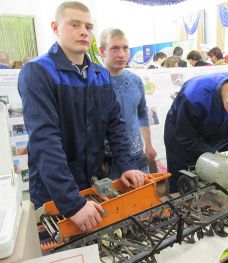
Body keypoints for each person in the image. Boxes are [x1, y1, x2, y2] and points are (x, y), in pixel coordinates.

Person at [18, 1, 144, 232]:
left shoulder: (100, 75)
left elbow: (115, 125)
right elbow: (45, 141)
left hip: (92, 183)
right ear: (56, 27)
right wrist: (72, 204)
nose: (84, 31)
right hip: (54, 192)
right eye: (74, 24)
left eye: (88, 26)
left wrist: (127, 164)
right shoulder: (38, 72)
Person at [164, 72, 228, 193]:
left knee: (210, 173)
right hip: (181, 137)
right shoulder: (193, 97)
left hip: (211, 130)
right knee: (185, 180)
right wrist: (213, 153)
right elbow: (186, 137)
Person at [99, 28, 157, 178]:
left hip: (138, 156)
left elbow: (142, 113)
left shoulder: (136, 81)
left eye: (125, 48)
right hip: (109, 161)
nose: (121, 54)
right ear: (102, 51)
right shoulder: (95, 83)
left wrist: (148, 144)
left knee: (145, 199)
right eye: (115, 48)